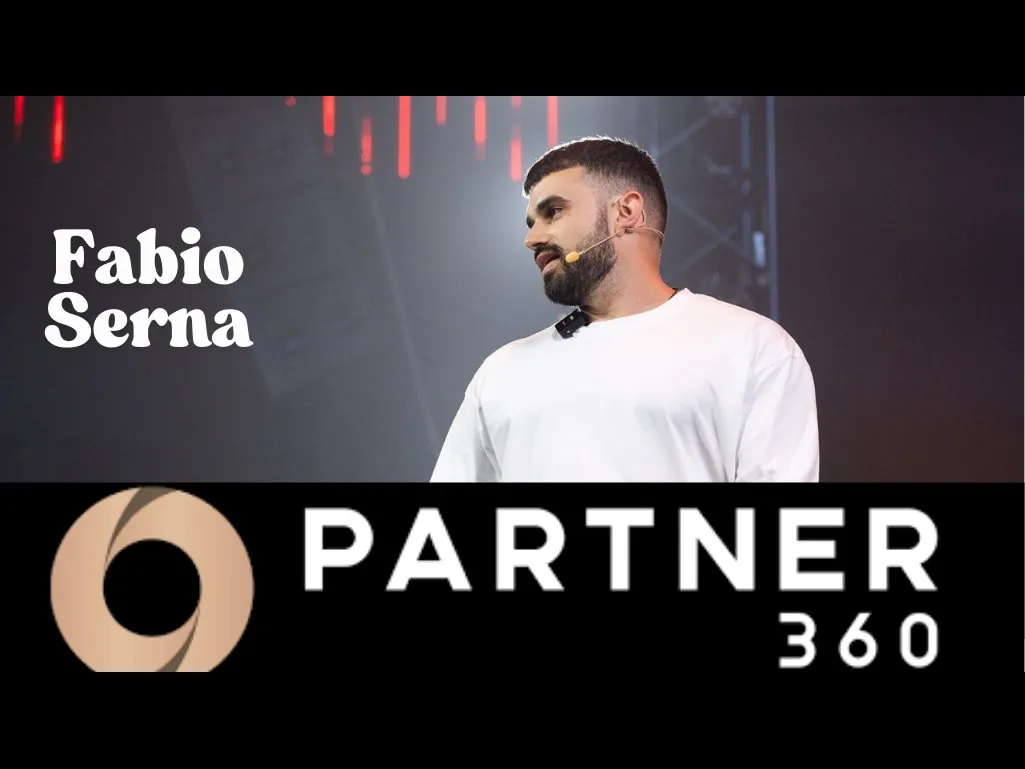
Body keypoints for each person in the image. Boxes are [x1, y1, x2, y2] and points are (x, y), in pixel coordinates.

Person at [430, 136, 818, 482]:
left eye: (554, 212)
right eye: (532, 222)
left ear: (626, 211)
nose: (532, 238)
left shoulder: (752, 349)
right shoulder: (501, 372)